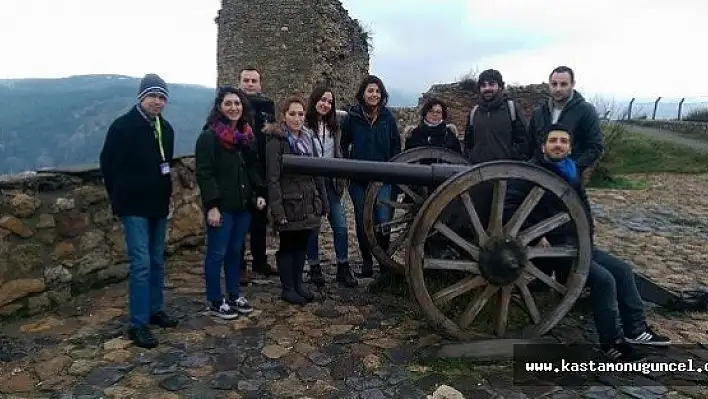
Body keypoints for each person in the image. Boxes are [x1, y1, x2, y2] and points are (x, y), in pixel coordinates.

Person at [504, 124, 670, 362]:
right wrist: (534, 233)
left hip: (578, 244)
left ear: (569, 148)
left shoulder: (572, 173)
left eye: (563, 141)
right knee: (604, 280)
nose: (558, 144)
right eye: (553, 140)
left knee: (623, 271)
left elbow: (584, 212)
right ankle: (611, 343)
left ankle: (637, 330)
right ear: (543, 146)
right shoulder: (530, 173)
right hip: (552, 251)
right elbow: (508, 206)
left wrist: (588, 240)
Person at [99, 73, 178, 349]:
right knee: (141, 264)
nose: (157, 102)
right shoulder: (123, 128)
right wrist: (117, 200)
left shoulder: (165, 129)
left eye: (161, 97)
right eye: (153, 96)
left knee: (156, 260)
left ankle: (155, 310)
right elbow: (108, 165)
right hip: (134, 208)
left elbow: (165, 164)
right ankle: (138, 323)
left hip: (157, 206)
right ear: (141, 97)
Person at [195, 86, 265, 319]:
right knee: (217, 253)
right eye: (228, 104)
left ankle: (234, 294)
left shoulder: (246, 136)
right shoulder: (209, 137)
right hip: (222, 206)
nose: (234, 108)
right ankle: (215, 299)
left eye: (237, 103)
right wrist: (212, 205)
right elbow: (205, 173)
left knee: (235, 252)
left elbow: (253, 167)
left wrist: (259, 192)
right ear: (219, 108)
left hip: (242, 205)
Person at [265, 95, 329, 305]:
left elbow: (318, 172)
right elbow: (272, 179)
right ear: (284, 116)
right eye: (292, 114)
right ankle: (288, 287)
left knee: (302, 244)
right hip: (289, 202)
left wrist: (323, 200)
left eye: (300, 114)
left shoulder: (308, 139)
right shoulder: (276, 142)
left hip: (308, 202)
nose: (297, 118)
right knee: (288, 246)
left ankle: (298, 283)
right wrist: (278, 210)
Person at [340, 75, 401, 279]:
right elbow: (344, 144)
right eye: (370, 91)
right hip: (359, 180)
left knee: (383, 220)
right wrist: (350, 166)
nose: (374, 94)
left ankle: (383, 261)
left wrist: (393, 176)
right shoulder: (353, 117)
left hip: (383, 178)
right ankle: (367, 262)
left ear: (381, 95)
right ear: (363, 94)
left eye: (377, 91)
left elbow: (395, 148)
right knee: (361, 220)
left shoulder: (388, 118)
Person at [304, 86, 358, 288]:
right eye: (322, 100)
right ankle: (314, 266)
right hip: (312, 183)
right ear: (314, 100)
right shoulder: (305, 126)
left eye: (329, 102)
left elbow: (339, 152)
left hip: (331, 182)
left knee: (341, 226)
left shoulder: (335, 127)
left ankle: (343, 266)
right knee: (313, 228)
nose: (325, 104)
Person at [528, 66, 604, 182]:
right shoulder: (539, 112)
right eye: (554, 84)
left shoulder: (586, 111)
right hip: (539, 174)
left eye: (563, 84)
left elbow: (595, 146)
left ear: (572, 84)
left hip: (569, 176)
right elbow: (530, 144)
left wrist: (574, 166)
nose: (558, 89)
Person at [238, 67, 278, 278]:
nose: (250, 84)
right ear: (240, 82)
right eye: (246, 80)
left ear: (260, 84)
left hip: (262, 169)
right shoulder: (233, 106)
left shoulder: (267, 106)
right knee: (240, 220)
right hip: (240, 170)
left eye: (254, 80)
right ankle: (239, 266)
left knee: (259, 220)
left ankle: (260, 261)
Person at [463, 69, 530, 163]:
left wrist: (514, 161)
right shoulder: (474, 113)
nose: (487, 88)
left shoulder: (512, 109)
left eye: (491, 84)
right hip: (479, 171)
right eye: (483, 85)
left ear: (500, 87)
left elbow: (525, 142)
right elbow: (468, 144)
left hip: (507, 171)